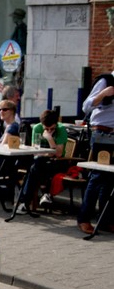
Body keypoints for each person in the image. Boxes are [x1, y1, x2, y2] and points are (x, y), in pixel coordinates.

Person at [76, 65, 114, 234]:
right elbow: (86, 106)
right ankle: (84, 218)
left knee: (111, 180)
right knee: (97, 177)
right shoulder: (106, 81)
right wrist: (104, 94)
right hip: (103, 135)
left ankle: (105, 220)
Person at [15, 109, 68, 214]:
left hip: (58, 162)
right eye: (46, 128)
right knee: (35, 165)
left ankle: (24, 202)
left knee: (34, 169)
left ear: (56, 124)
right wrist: (48, 152)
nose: (49, 130)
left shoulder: (61, 129)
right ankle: (45, 193)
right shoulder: (37, 127)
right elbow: (35, 150)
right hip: (41, 161)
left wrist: (49, 138)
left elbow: (58, 153)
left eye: (52, 128)